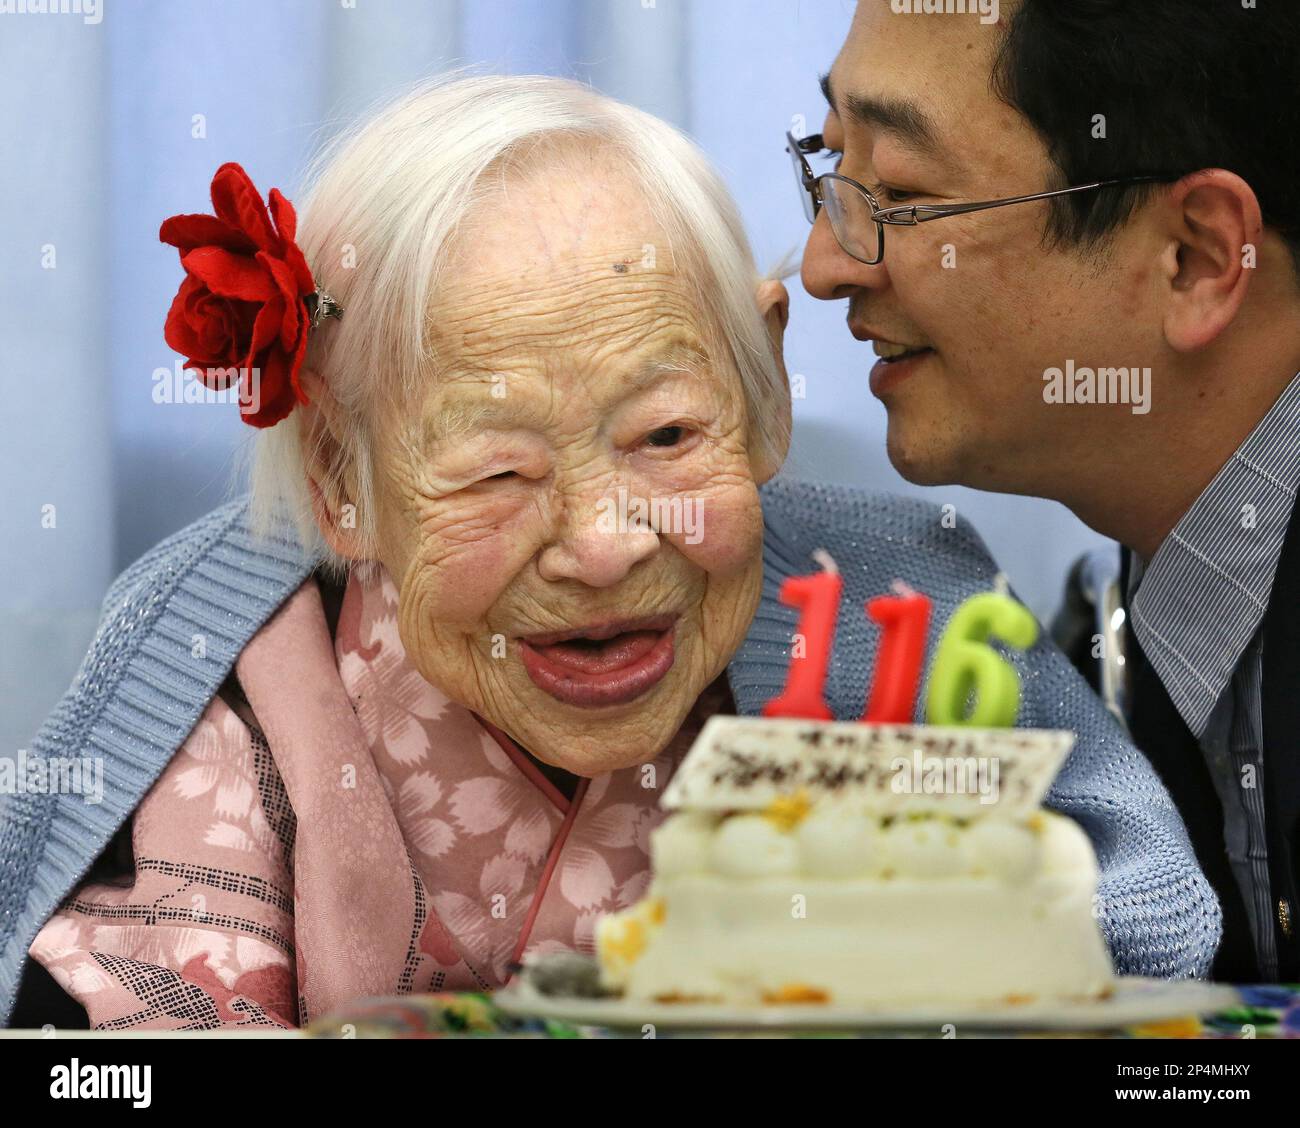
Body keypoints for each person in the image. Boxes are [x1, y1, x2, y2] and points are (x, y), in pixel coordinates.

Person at [2, 74, 1216, 1031]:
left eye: (667, 433)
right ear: (340, 481)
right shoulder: (248, 681)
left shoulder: (896, 610)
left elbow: (1135, 925)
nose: (601, 544)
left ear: (767, 401)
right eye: (495, 472)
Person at [795, 0, 1300, 981]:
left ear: (1195, 259)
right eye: (828, 167)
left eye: (898, 192)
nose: (823, 266)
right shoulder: (1101, 648)